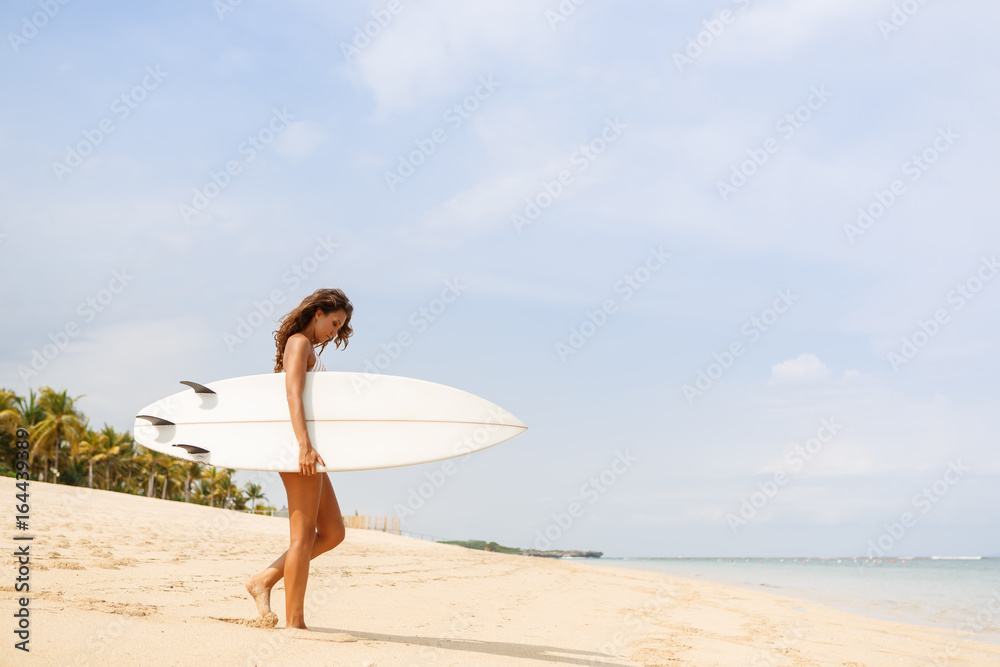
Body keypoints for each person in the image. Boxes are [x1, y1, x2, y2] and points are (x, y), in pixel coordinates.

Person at [245, 288, 354, 630]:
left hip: (308, 450)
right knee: (303, 537)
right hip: (298, 450)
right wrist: (304, 446)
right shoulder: (298, 342)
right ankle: (295, 623)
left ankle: (263, 579)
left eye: (340, 328)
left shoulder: (305, 346)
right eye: (334, 323)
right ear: (318, 311)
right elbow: (292, 393)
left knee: (333, 532)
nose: (334, 332)